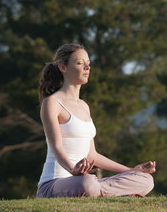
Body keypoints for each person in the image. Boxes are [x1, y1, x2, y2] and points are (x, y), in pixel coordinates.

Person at [37, 43, 155, 198]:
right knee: (88, 183)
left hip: (84, 182)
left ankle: (110, 195)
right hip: (54, 184)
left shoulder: (84, 106)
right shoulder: (52, 103)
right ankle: (119, 196)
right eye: (80, 63)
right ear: (63, 67)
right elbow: (57, 147)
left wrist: (131, 170)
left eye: (88, 64)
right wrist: (73, 170)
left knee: (146, 180)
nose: (87, 68)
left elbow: (92, 155)